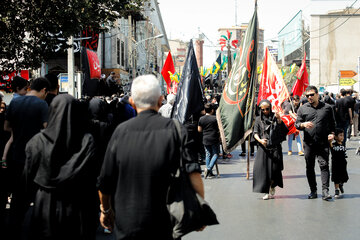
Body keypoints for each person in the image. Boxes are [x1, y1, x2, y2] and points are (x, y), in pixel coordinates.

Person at [97, 74, 204, 240]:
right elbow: (193, 174)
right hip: (165, 223)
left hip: (128, 223)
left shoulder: (120, 132)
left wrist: (106, 210)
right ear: (160, 100)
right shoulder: (176, 130)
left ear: (132, 101)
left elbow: (105, 181)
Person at [24, 94, 98, 239]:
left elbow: (26, 180)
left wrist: (17, 214)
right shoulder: (87, 141)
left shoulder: (37, 142)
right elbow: (93, 178)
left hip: (44, 206)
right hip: (78, 206)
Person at [4, 77, 50, 239]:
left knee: (17, 199)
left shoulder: (15, 103)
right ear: (44, 90)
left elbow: (7, 127)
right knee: (37, 198)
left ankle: (13, 231)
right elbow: (47, 128)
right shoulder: (42, 105)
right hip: (36, 158)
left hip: (16, 156)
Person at [295, 85, 336, 200]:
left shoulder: (327, 108)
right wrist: (303, 125)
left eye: (312, 95)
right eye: (307, 95)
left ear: (317, 94)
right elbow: (297, 124)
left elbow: (333, 124)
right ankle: (313, 190)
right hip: (309, 143)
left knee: (324, 165)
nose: (309, 97)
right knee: (310, 167)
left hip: (323, 143)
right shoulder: (302, 109)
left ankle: (325, 191)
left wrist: (332, 134)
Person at [252, 100, 288, 200]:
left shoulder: (275, 117)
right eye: (263, 109)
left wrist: (279, 119)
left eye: (267, 109)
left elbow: (284, 131)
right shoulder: (258, 119)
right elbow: (255, 133)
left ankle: (272, 185)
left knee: (275, 170)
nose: (265, 111)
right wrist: (260, 140)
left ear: (270, 107)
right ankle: (266, 191)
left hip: (275, 147)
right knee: (263, 171)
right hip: (263, 149)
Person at [198, 103, 220, 179]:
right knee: (215, 154)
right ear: (212, 110)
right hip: (214, 138)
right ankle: (208, 169)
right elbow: (219, 129)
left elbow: (199, 130)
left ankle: (209, 173)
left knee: (208, 154)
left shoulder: (201, 119)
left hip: (205, 138)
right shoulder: (215, 119)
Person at [329, 128, 349, 199]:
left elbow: (345, 154)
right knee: (336, 177)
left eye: (343, 135)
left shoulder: (343, 145)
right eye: (340, 135)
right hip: (335, 164)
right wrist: (330, 140)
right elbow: (330, 145)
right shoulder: (333, 144)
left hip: (343, 164)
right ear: (336, 137)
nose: (342, 137)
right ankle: (336, 190)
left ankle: (341, 184)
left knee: (344, 177)